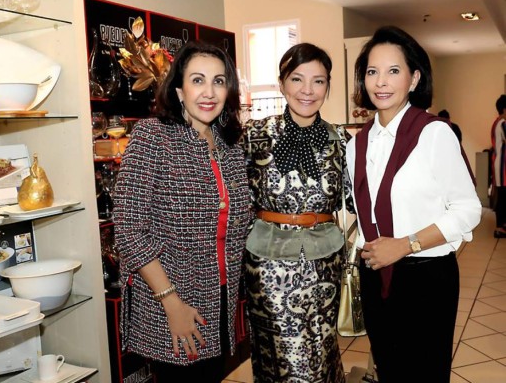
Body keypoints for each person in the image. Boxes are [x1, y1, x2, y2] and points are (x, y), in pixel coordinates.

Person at [346, 25, 482, 383]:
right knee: (390, 372)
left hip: (425, 277)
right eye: (372, 72)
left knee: (425, 374)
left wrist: (405, 245)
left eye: (394, 71)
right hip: (375, 275)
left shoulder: (433, 133)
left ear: (414, 77)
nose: (381, 82)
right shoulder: (356, 145)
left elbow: (468, 210)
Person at [113, 41, 251, 383]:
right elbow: (129, 230)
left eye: (219, 81)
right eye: (198, 80)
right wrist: (171, 303)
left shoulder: (229, 144)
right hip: (171, 301)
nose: (209, 92)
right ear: (179, 90)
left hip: (219, 298)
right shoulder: (153, 137)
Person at [242, 42, 353, 383]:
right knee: (278, 358)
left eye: (318, 81)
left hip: (326, 263)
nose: (308, 90)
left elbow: (360, 201)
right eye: (297, 79)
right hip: (266, 265)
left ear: (328, 86)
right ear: (281, 83)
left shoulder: (341, 140)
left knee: (320, 352)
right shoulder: (254, 135)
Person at [491, 94, 506, 238]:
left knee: (502, 196)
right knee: (502, 197)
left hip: (499, 165)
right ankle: (499, 228)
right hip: (502, 167)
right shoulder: (503, 123)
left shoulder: (496, 122)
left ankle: (501, 225)